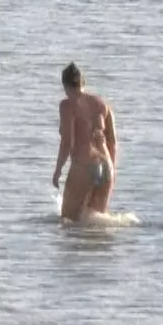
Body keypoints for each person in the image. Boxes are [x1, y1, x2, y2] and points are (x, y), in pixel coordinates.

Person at [52, 62, 117, 222]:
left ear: (65, 85)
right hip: (106, 164)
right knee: (97, 223)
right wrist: (112, 171)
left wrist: (58, 170)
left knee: (67, 222)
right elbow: (112, 142)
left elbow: (67, 141)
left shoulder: (67, 105)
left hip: (84, 163)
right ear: (83, 82)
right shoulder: (103, 105)